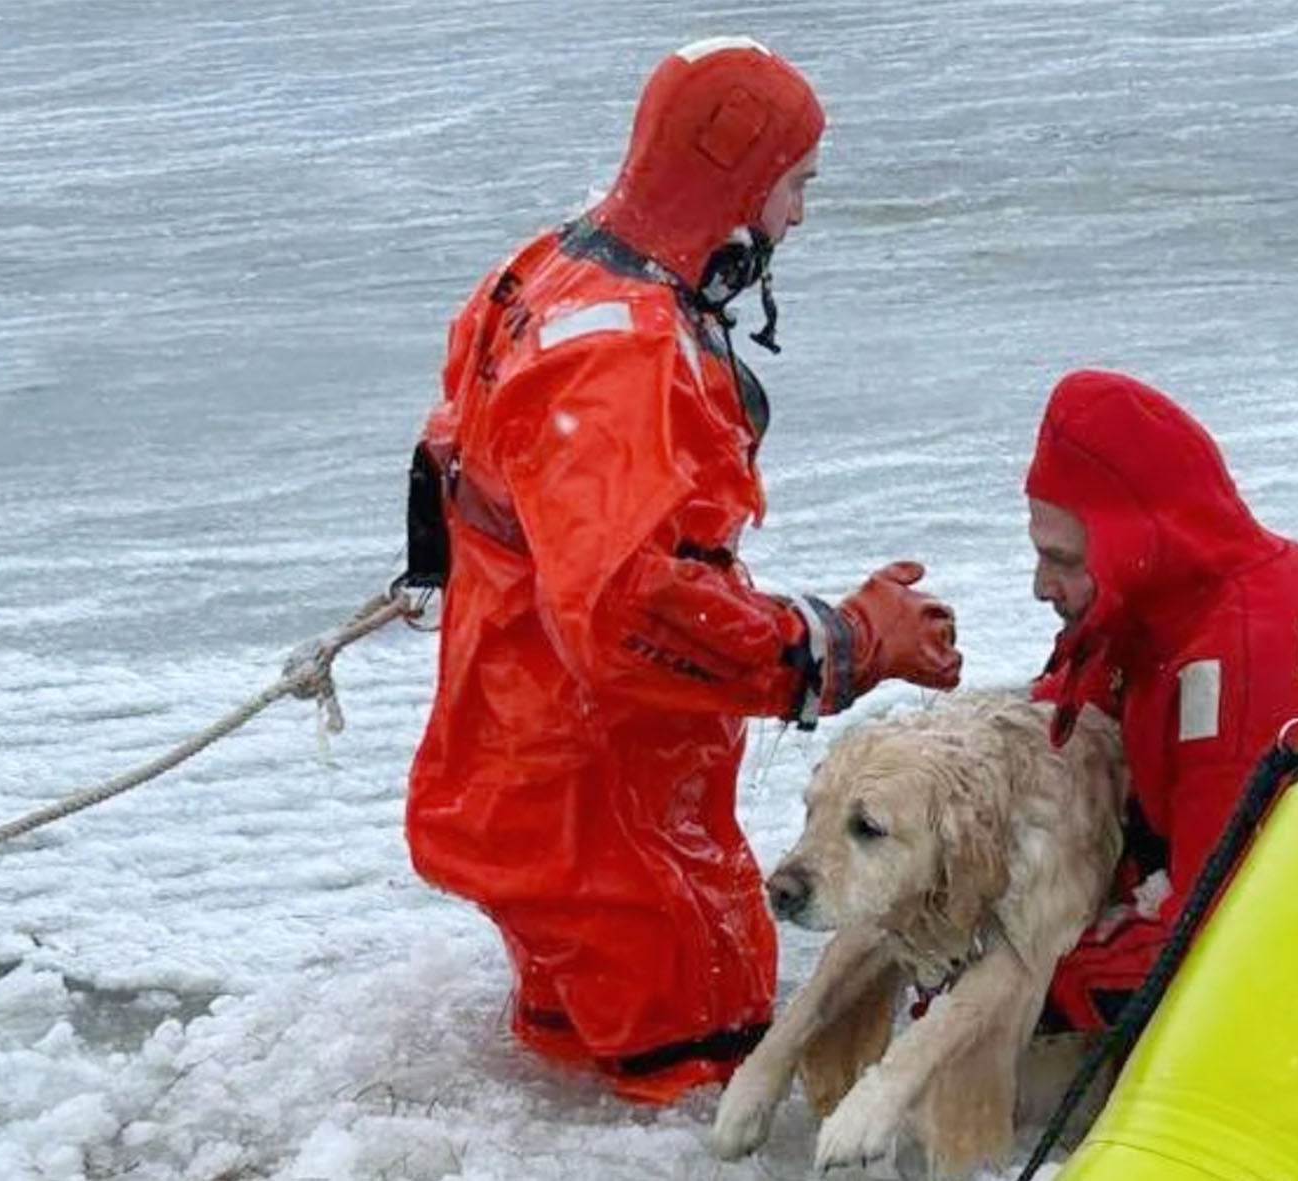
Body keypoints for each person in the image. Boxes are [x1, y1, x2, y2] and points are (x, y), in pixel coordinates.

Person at [404, 36, 963, 1104]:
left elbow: (450, 456)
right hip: (610, 813)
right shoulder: (630, 357)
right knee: (700, 1085)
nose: (800, 216)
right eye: (796, 185)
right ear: (736, 180)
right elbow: (626, 616)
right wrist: (844, 643)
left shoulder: (547, 271)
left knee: (574, 1078)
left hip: (513, 766)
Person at [1022, 368, 1298, 1033]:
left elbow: (1218, 946)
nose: (1040, 585)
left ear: (1134, 539)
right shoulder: (1144, 611)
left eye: (1064, 560)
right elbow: (1044, 736)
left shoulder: (1252, 667)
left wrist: (1019, 982)